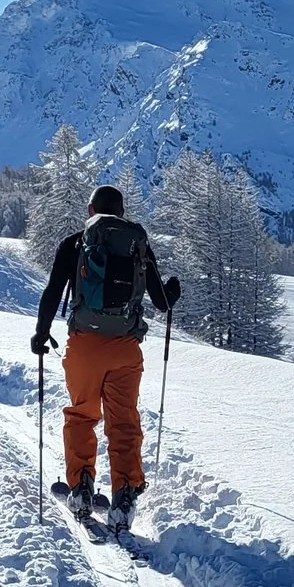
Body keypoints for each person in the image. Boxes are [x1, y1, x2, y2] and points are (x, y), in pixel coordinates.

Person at [33, 184, 179, 525]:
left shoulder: (75, 242)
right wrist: (173, 288)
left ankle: (81, 487)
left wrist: (41, 334)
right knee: (124, 420)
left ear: (91, 210)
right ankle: (124, 495)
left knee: (82, 415)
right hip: (125, 349)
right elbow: (161, 302)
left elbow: (53, 291)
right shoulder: (137, 245)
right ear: (123, 213)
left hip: (84, 345)